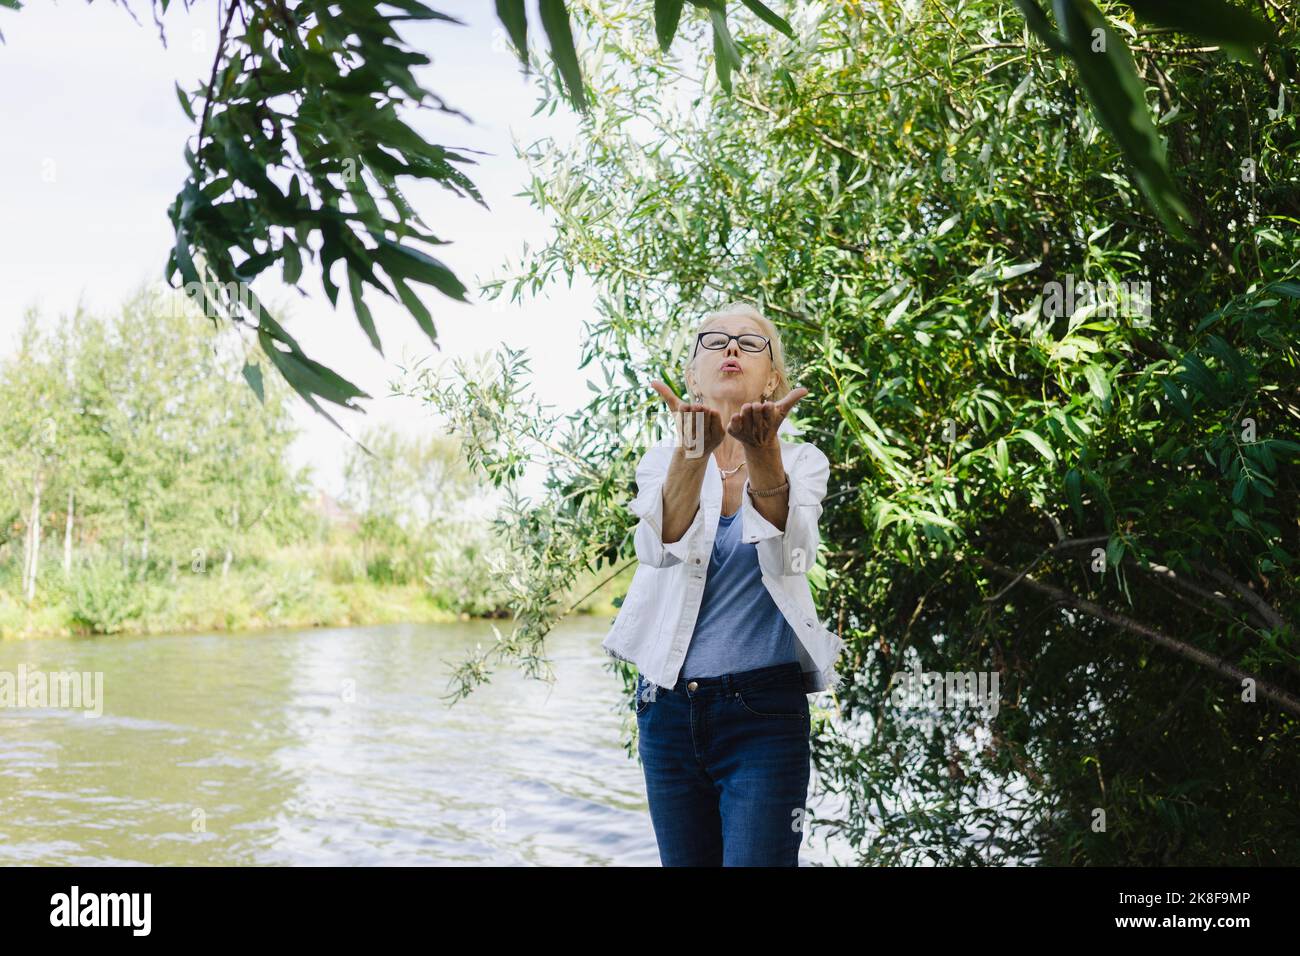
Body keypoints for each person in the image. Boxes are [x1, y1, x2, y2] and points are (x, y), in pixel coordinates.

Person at [601, 300, 845, 866]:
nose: (731, 348)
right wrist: (692, 453)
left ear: (773, 376)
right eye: (714, 341)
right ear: (692, 373)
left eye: (750, 343)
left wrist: (764, 456)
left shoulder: (804, 461)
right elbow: (656, 550)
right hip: (666, 711)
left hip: (764, 713)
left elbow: (794, 557)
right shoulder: (660, 458)